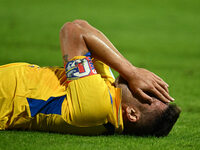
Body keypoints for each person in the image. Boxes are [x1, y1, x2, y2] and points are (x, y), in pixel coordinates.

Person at [0, 20, 180, 136]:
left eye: (148, 92)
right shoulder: (109, 90)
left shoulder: (99, 106)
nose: (145, 84)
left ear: (131, 114)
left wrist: (132, 72)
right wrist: (130, 73)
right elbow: (82, 25)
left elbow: (72, 31)